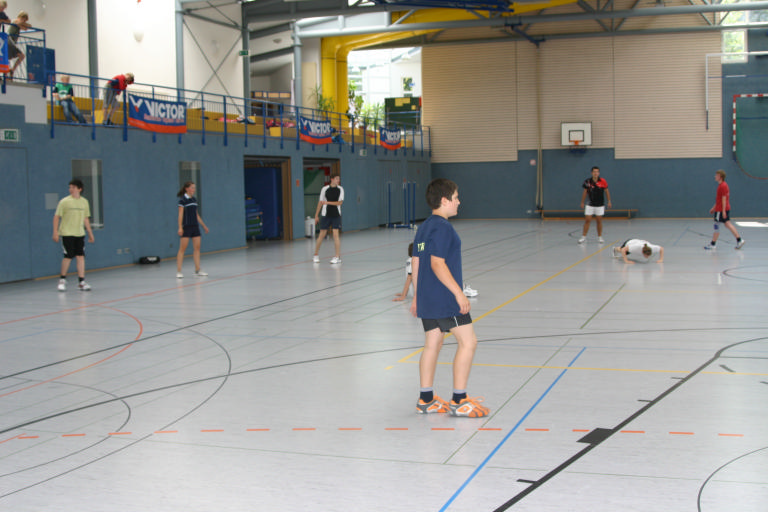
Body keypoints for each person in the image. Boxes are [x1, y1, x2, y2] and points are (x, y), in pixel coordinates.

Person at [410, 178, 489, 418]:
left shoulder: (424, 227)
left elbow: (416, 261)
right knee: (469, 342)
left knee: (433, 344)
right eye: (456, 198)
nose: (459, 202)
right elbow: (437, 263)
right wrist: (458, 293)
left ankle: (426, 399)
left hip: (427, 297)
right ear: (444, 200)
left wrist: (417, 297)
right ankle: (459, 400)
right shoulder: (443, 227)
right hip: (445, 298)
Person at [52, 179, 95, 291]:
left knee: (80, 256)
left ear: (80, 189)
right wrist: (55, 232)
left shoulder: (84, 202)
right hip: (67, 233)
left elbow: (86, 218)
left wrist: (90, 233)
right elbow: (57, 217)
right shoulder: (64, 201)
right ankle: (62, 280)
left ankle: (81, 282)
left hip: (79, 233)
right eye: (70, 187)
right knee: (68, 256)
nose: (71, 189)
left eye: (73, 187)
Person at [705, 170, 745, 250]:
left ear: (720, 177)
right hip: (722, 208)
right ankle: (739, 240)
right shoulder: (723, 185)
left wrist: (723, 211)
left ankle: (713, 244)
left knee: (716, 226)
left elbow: (724, 199)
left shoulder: (722, 186)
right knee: (727, 224)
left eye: (716, 175)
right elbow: (719, 200)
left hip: (720, 210)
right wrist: (713, 208)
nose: (715, 176)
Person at [176, 182, 209, 278]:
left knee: (197, 249)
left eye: (194, 188)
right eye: (192, 188)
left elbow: (196, 214)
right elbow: (180, 215)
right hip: (186, 227)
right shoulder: (182, 200)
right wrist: (180, 227)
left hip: (195, 227)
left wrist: (203, 225)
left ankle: (197, 269)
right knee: (182, 249)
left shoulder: (194, 200)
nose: (193, 190)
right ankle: (179, 271)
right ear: (187, 189)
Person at [312, 172, 343, 264]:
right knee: (321, 235)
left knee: (335, 235)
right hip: (325, 215)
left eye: (339, 179)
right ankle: (316, 255)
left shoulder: (340, 189)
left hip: (336, 215)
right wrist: (316, 215)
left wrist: (328, 202)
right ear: (332, 179)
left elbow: (339, 203)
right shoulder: (324, 189)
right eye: (337, 179)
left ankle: (337, 257)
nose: (338, 180)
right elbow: (320, 202)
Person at [578, 166, 611, 244]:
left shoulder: (603, 181)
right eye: (594, 172)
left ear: (599, 173)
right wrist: (582, 202)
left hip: (600, 204)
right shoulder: (587, 181)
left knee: (599, 221)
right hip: (590, 204)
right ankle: (583, 237)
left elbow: (606, 191)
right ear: (591, 173)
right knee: (587, 220)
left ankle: (600, 237)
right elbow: (585, 192)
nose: (596, 173)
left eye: (597, 172)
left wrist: (609, 201)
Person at [5, 10, 31, 80]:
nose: (24, 21)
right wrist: (23, 24)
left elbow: (26, 28)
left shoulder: (19, 23)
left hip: (12, 43)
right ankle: (6, 74)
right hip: (9, 41)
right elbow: (20, 24)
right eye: (24, 19)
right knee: (7, 58)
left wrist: (23, 24)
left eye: (25, 20)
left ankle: (12, 70)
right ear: (21, 17)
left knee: (21, 56)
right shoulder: (15, 21)